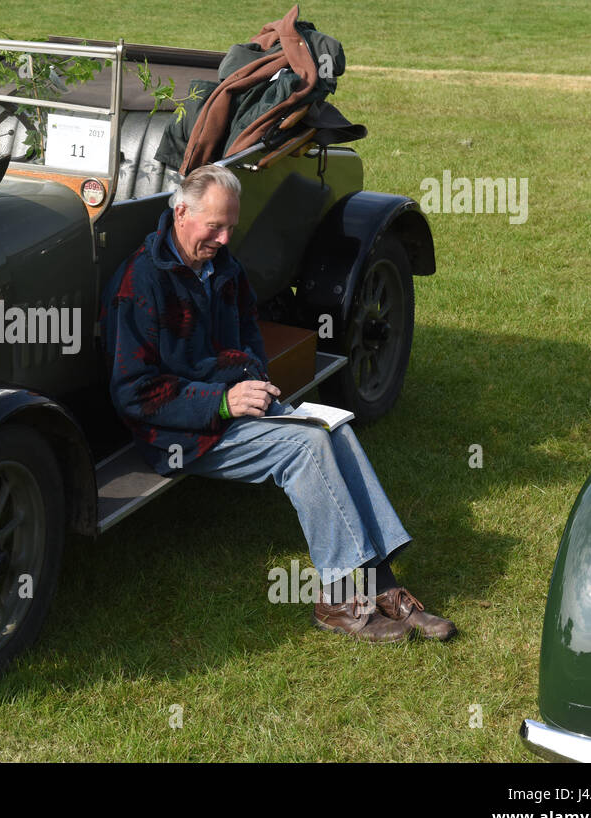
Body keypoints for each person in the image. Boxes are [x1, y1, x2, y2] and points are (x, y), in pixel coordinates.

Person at [100, 165, 455, 642]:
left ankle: (383, 588)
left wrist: (252, 378)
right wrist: (223, 401)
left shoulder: (221, 265)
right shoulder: (139, 283)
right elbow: (134, 393)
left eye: (231, 226)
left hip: (237, 407)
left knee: (337, 431)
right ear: (181, 212)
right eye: (215, 226)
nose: (226, 238)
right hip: (181, 433)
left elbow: (250, 334)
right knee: (306, 449)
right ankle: (336, 600)